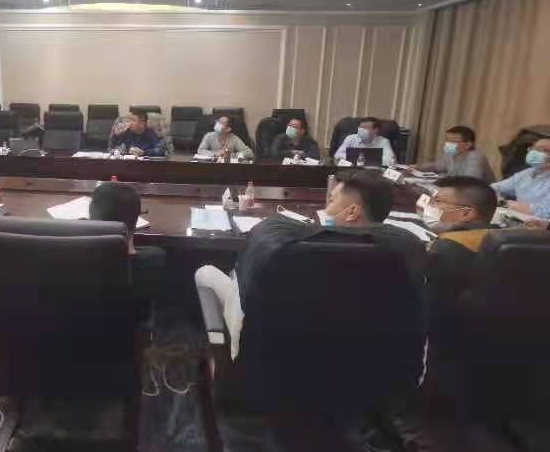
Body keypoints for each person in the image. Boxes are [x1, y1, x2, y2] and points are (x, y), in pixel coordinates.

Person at [195, 169, 426, 359]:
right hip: (372, 366)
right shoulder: (408, 249)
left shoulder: (294, 248)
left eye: (332, 200)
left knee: (207, 273)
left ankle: (222, 356)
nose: (326, 207)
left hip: (277, 361)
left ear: (352, 212)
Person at [423, 176, 498, 339]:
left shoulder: (445, 249)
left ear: (465, 213)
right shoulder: (496, 238)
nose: (429, 206)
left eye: (437, 202)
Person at [89, 182, 166, 319]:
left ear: (91, 218)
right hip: (133, 331)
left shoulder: (72, 259)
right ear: (136, 220)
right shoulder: (155, 259)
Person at [411, 126, 495, 183]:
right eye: (447, 140)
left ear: (467, 145)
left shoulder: (476, 157)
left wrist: (444, 178)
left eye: (452, 141)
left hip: (479, 196)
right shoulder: (451, 153)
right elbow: (438, 166)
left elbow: (469, 181)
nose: (448, 144)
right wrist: (417, 167)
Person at [491, 138, 550, 218]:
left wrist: (507, 204)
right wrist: (501, 201)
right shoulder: (526, 173)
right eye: (533, 148)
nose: (535, 152)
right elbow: (493, 188)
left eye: (543, 150)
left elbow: (546, 211)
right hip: (516, 218)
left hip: (540, 223)